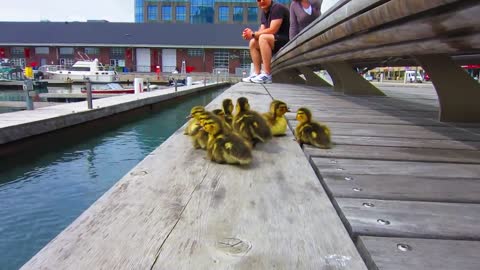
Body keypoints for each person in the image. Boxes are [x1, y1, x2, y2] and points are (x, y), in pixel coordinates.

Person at [242, 0, 290, 84]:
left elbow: (273, 30)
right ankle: (256, 73)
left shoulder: (277, 8)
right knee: (253, 42)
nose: (262, 1)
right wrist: (250, 34)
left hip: (286, 42)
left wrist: (253, 34)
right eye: (259, 0)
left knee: (263, 38)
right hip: (274, 41)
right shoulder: (264, 12)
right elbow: (261, 31)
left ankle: (267, 75)